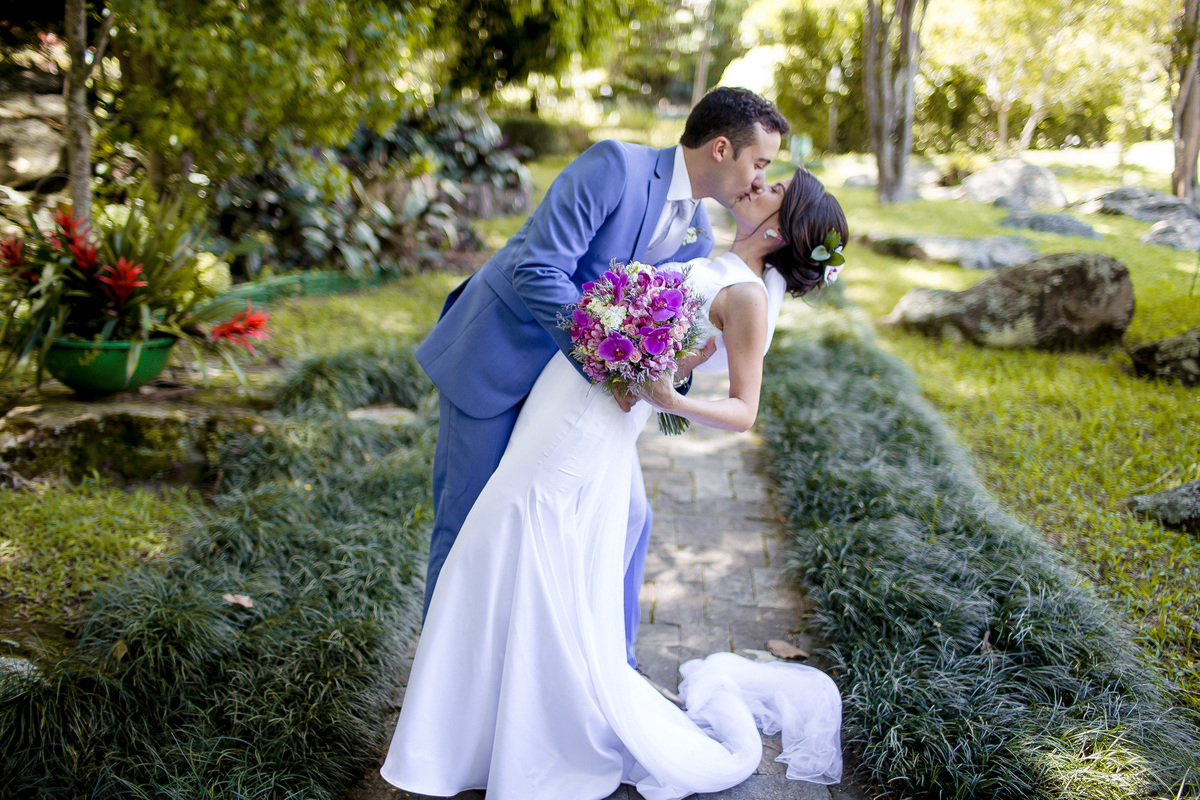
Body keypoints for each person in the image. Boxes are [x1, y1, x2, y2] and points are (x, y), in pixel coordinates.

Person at [381, 168, 848, 799]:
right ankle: (485, 722)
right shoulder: (712, 251)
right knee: (512, 533)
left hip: (594, 418)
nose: (754, 186)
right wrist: (649, 353)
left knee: (518, 524)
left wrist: (667, 395)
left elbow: (744, 412)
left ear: (784, 226)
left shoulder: (749, 299)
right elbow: (678, 342)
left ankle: (520, 729)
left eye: (771, 191)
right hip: (572, 388)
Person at [417, 87, 791, 669]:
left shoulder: (697, 234)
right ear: (723, 149)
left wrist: (668, 376)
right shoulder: (615, 166)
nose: (760, 178)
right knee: (468, 524)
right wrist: (608, 364)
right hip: (497, 359)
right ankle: (438, 684)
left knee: (629, 519)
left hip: (570, 399)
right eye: (760, 163)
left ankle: (611, 670)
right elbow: (537, 267)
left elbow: (660, 330)